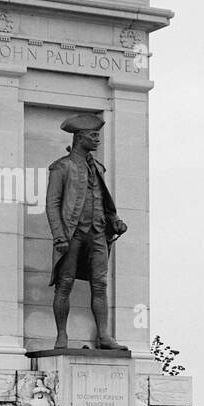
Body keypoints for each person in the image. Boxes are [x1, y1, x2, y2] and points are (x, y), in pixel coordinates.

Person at [45, 113, 127, 350]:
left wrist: (115, 221)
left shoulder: (98, 168)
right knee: (65, 283)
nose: (97, 140)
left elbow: (104, 199)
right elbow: (52, 203)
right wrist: (59, 235)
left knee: (100, 284)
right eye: (93, 136)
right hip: (73, 233)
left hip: (98, 232)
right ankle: (62, 336)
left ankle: (104, 336)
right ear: (80, 138)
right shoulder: (62, 166)